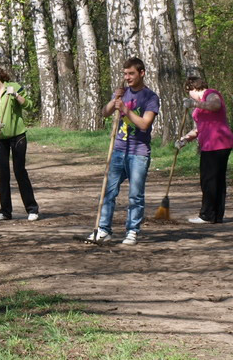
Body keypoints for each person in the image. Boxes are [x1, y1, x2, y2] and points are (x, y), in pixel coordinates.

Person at [86, 57, 159, 245]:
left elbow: (144, 124)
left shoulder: (151, 97)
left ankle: (132, 231)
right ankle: (103, 229)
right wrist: (114, 101)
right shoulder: (121, 93)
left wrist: (126, 109)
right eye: (125, 74)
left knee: (136, 194)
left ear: (141, 73)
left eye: (131, 73)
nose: (127, 77)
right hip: (118, 149)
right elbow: (105, 112)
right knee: (108, 191)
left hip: (139, 152)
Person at [0, 65, 40, 222]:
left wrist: (17, 96)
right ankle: (5, 211)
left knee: (20, 172)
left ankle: (32, 209)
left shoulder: (14, 88)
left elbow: (30, 105)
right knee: (3, 174)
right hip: (0, 138)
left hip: (18, 136)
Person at [175, 74, 233, 224]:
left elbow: (216, 105)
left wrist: (194, 105)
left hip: (217, 143)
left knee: (209, 179)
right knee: (215, 180)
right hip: (210, 144)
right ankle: (216, 216)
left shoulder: (210, 94)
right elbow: (198, 129)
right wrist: (185, 139)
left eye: (188, 91)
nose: (189, 96)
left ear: (192, 88)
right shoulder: (200, 104)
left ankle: (207, 215)